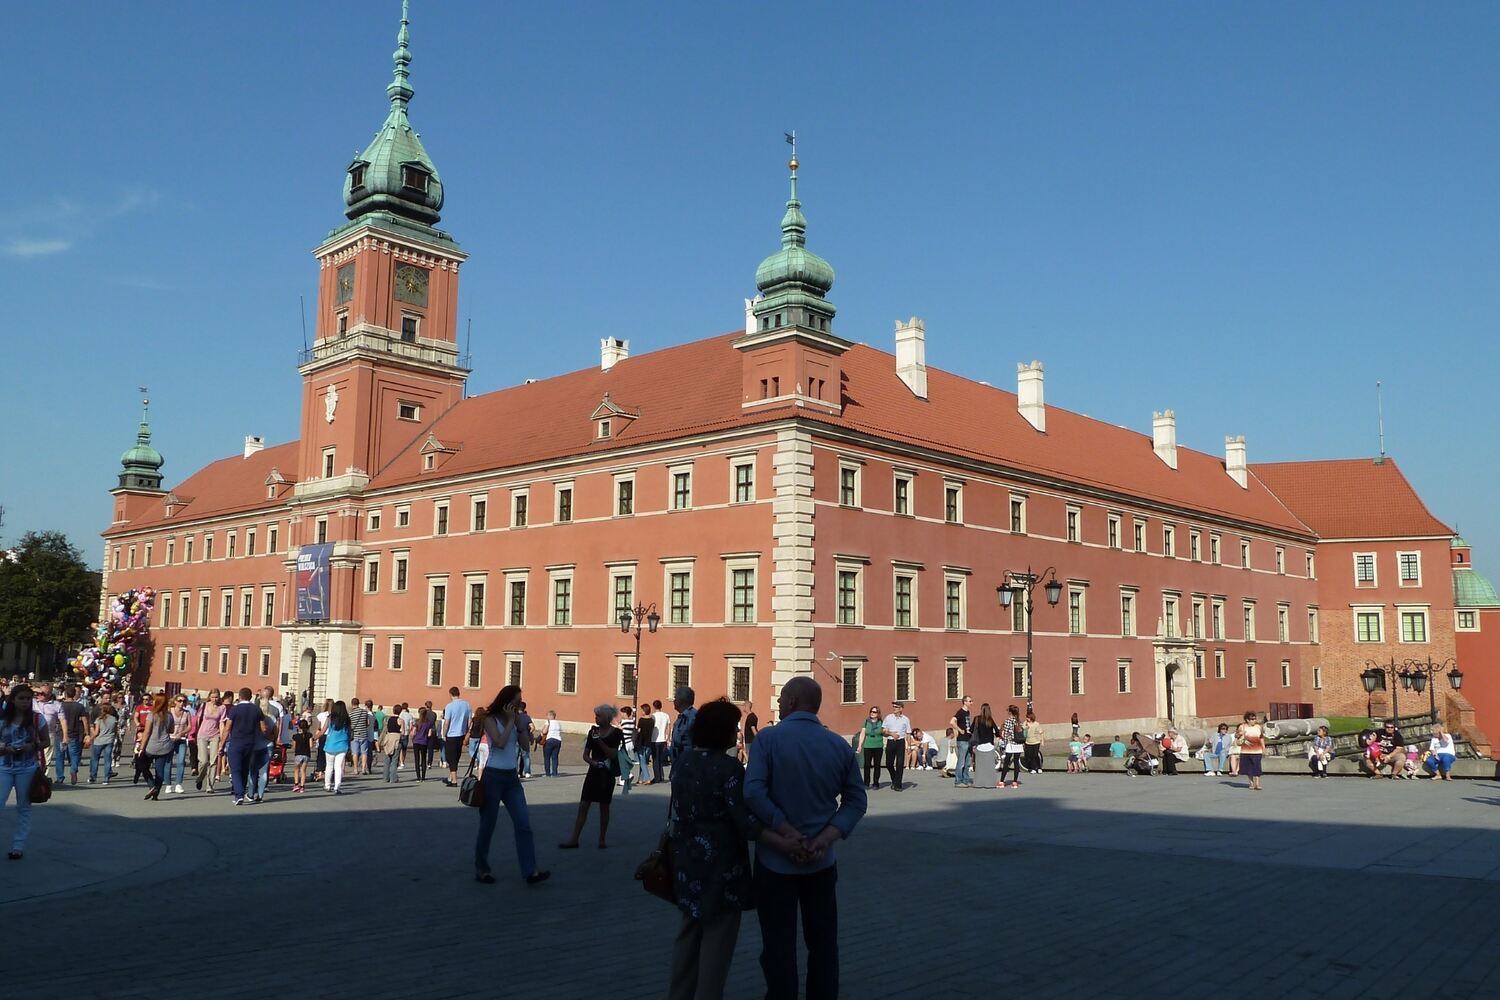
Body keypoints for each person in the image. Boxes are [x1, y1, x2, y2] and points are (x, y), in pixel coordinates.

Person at [744, 676, 867, 1000]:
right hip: (821, 862)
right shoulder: (838, 744)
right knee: (824, 942)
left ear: (793, 702)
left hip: (775, 862)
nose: (779, 704)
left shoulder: (767, 740)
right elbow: (856, 801)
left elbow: (753, 792)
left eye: (782, 698)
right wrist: (824, 838)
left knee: (778, 944)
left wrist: (785, 830)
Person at [668, 699, 799, 1000]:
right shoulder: (727, 768)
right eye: (733, 726)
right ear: (723, 731)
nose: (736, 731)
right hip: (721, 868)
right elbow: (745, 821)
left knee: (688, 934)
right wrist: (784, 840)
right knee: (717, 943)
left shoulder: (683, 761)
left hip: (687, 861)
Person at [472, 684, 549, 885]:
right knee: (488, 824)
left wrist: (519, 725)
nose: (518, 705)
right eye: (515, 702)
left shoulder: (516, 721)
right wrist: (509, 723)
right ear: (506, 701)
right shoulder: (490, 719)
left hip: (512, 778)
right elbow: (498, 743)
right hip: (493, 777)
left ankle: (530, 871)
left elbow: (525, 746)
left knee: (523, 824)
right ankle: (482, 869)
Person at [558, 705, 624, 849]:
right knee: (583, 805)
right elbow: (585, 754)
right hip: (593, 773)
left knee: (604, 807)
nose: (596, 718)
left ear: (607, 718)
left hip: (607, 774)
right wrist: (592, 762)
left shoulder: (617, 733)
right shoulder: (592, 731)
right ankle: (574, 838)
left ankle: (602, 839)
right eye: (596, 716)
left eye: (599, 716)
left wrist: (599, 740)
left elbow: (612, 754)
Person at [0, 684, 44, 859]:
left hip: (27, 767)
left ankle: (18, 845)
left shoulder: (36, 719)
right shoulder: (3, 720)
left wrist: (32, 746)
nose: (25, 702)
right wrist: (4, 747)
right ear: (13, 700)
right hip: (3, 766)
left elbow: (46, 741)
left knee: (23, 806)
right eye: (21, 698)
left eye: (28, 698)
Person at [139, 694, 175, 801]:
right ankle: (156, 792)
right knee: (160, 770)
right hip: (165, 746)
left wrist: (141, 747)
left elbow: (147, 732)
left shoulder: (152, 715)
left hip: (151, 745)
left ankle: (152, 786)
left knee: (143, 767)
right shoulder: (169, 716)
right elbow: (171, 730)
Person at [194, 688, 226, 793]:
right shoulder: (204, 706)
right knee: (203, 761)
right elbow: (198, 720)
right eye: (212, 697)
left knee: (213, 761)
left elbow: (221, 723)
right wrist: (195, 733)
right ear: (209, 697)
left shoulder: (222, 708)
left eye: (216, 697)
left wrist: (222, 738)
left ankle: (210, 785)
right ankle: (200, 777)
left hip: (214, 735)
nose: (214, 699)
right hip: (202, 734)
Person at [441, 687, 472, 787]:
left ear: (450, 694)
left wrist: (444, 733)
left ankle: (454, 780)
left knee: (450, 757)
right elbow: (469, 722)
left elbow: (446, 723)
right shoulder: (467, 705)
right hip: (461, 734)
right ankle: (450, 777)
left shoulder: (449, 706)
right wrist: (468, 733)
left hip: (451, 734)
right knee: (457, 756)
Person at [320, 701, 352, 794]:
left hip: (330, 744)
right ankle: (337, 786)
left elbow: (323, 730)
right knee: (338, 767)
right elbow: (349, 733)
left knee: (329, 766)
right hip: (342, 745)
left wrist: (315, 738)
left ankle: (327, 785)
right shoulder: (347, 719)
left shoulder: (330, 718)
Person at [58, 685, 88, 785]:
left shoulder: (60, 705)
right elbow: (85, 720)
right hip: (73, 733)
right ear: (74, 694)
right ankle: (73, 770)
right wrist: (86, 733)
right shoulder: (79, 706)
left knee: (60, 756)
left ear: (65, 694)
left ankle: (60, 777)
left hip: (61, 733)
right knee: (74, 754)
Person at [88, 701, 120, 785]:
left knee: (95, 759)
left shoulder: (99, 719)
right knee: (107, 759)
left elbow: (96, 732)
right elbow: (116, 730)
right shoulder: (114, 719)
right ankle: (106, 778)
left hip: (99, 741)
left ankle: (93, 777)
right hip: (109, 740)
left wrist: (90, 739)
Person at [882, 701, 912, 791]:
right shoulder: (888, 717)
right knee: (888, 764)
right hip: (891, 742)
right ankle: (895, 778)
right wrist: (891, 733)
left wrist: (909, 746)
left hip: (901, 742)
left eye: (896, 707)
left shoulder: (906, 719)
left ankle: (898, 785)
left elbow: (908, 733)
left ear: (901, 709)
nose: (894, 708)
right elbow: (883, 731)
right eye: (893, 706)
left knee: (900, 764)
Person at [167, 694, 192, 794]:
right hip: (169, 739)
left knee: (181, 761)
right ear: (175, 701)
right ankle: (168, 784)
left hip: (181, 739)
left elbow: (190, 726)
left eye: (184, 701)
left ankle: (178, 784)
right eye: (180, 701)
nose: (182, 703)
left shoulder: (187, 713)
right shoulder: (169, 711)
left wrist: (182, 733)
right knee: (168, 762)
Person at [972, 702, 999, 788]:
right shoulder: (990, 720)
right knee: (990, 767)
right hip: (989, 746)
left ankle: (979, 783)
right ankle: (990, 783)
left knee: (980, 767)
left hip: (979, 746)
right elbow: (997, 731)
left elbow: (971, 730)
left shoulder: (977, 719)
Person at [671, 687, 697, 772]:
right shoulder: (682, 716)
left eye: (675, 698)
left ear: (682, 701)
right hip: (679, 763)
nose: (673, 701)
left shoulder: (692, 717)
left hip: (688, 764)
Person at [950, 695, 974, 788]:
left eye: (971, 701)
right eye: (970, 701)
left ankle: (966, 779)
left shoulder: (967, 712)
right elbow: (952, 721)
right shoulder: (960, 712)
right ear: (964, 702)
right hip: (962, 740)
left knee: (967, 762)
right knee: (961, 762)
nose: (971, 703)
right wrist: (959, 730)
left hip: (968, 739)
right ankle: (958, 781)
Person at [1237, 712, 1265, 791]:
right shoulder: (1242, 727)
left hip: (1257, 750)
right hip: (1246, 750)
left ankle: (1257, 783)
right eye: (1252, 719)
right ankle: (1251, 783)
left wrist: (1263, 747)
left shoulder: (1258, 727)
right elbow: (1236, 736)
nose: (1254, 720)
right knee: (1248, 768)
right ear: (1247, 720)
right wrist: (1240, 734)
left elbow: (1261, 738)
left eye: (1255, 719)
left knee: (1257, 767)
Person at [999, 704, 1024, 789]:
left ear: (1010, 712)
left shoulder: (1008, 721)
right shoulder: (1019, 721)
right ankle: (1015, 782)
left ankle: (1002, 781)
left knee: (1006, 762)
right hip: (1019, 744)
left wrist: (1004, 744)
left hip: (1010, 743)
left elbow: (1005, 734)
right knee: (1016, 762)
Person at [860, 706, 884, 789]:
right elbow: (863, 733)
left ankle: (876, 783)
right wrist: (860, 745)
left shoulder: (881, 722)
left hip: (878, 745)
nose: (872, 713)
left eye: (874, 712)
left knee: (877, 765)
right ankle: (866, 783)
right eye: (871, 711)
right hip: (868, 745)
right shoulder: (866, 722)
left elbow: (885, 732)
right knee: (867, 765)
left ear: (878, 714)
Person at [348, 699, 373, 776]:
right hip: (364, 734)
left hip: (355, 735)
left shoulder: (351, 714)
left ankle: (355, 769)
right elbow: (368, 723)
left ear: (352, 704)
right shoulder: (364, 712)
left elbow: (350, 725)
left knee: (355, 753)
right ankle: (363, 768)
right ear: (358, 703)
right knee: (364, 752)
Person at [410, 707, 434, 782]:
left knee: (417, 759)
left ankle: (418, 777)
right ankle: (423, 777)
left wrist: (412, 738)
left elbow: (413, 732)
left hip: (416, 742)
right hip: (424, 742)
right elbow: (429, 734)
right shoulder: (429, 723)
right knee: (423, 759)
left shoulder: (417, 722)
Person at [617, 705, 636, 794]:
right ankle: (624, 777)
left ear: (625, 713)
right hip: (630, 743)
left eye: (622, 713)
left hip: (623, 743)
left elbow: (620, 731)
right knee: (625, 760)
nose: (621, 714)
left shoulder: (623, 722)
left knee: (621, 761)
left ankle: (626, 776)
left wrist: (617, 726)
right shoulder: (632, 722)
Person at [634, 703, 655, 784]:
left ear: (644, 711)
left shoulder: (641, 720)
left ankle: (647, 778)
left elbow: (639, 731)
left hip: (641, 742)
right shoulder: (652, 721)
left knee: (642, 761)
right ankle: (640, 779)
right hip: (648, 742)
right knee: (644, 761)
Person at [379, 710, 403, 782]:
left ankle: (385, 778)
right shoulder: (400, 720)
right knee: (394, 760)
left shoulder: (388, 719)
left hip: (388, 739)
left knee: (387, 760)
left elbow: (386, 729)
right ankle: (393, 778)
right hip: (396, 740)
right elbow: (403, 731)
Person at [651, 699, 671, 782]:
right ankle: (661, 776)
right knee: (660, 759)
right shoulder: (666, 715)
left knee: (655, 759)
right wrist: (668, 737)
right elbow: (669, 726)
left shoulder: (653, 716)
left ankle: (657, 777)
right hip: (663, 739)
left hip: (654, 739)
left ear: (654, 706)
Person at [291, 719, 312, 793]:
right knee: (303, 771)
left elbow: (294, 747)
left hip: (298, 754)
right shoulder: (309, 735)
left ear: (298, 727)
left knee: (296, 770)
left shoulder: (295, 736)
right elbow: (311, 745)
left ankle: (296, 784)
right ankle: (302, 786)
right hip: (306, 754)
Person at [542, 710, 563, 777]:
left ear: (551, 716)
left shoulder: (548, 722)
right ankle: (554, 773)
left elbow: (544, 731)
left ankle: (548, 773)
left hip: (549, 740)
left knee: (547, 757)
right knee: (555, 757)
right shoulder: (558, 723)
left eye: (548, 715)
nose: (547, 717)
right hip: (558, 740)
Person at [515, 701, 534, 779]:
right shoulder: (527, 717)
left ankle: (516, 773)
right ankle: (527, 772)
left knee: (515, 756)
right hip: (524, 738)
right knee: (526, 756)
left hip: (516, 738)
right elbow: (533, 727)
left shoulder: (515, 717)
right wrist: (528, 733)